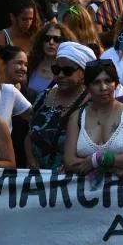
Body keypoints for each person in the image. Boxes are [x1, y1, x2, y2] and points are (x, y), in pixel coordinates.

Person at [63, 59, 123, 180]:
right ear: (87, 87)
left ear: (116, 84)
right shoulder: (76, 117)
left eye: (108, 81)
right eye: (96, 82)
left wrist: (99, 160)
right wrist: (110, 166)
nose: (103, 87)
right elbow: (69, 162)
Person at [24, 42, 93, 170]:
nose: (60, 75)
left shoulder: (92, 104)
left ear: (84, 74)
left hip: (71, 177)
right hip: (37, 176)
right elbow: (29, 135)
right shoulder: (42, 97)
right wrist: (31, 159)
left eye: (67, 71)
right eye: (56, 70)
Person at [26, 21, 78, 98]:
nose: (51, 42)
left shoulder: (69, 69)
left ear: (65, 42)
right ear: (41, 41)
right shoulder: (30, 62)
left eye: (57, 39)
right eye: (47, 38)